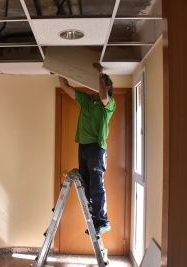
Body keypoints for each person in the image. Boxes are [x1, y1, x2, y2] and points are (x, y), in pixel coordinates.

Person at [58, 63, 116, 235]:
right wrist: (60, 69)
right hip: (83, 146)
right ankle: (94, 220)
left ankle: (102, 221)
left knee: (97, 186)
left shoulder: (108, 104)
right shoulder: (87, 100)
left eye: (98, 82)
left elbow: (104, 94)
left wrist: (99, 73)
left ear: (107, 86)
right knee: (87, 186)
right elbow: (65, 86)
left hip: (96, 149)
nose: (94, 85)